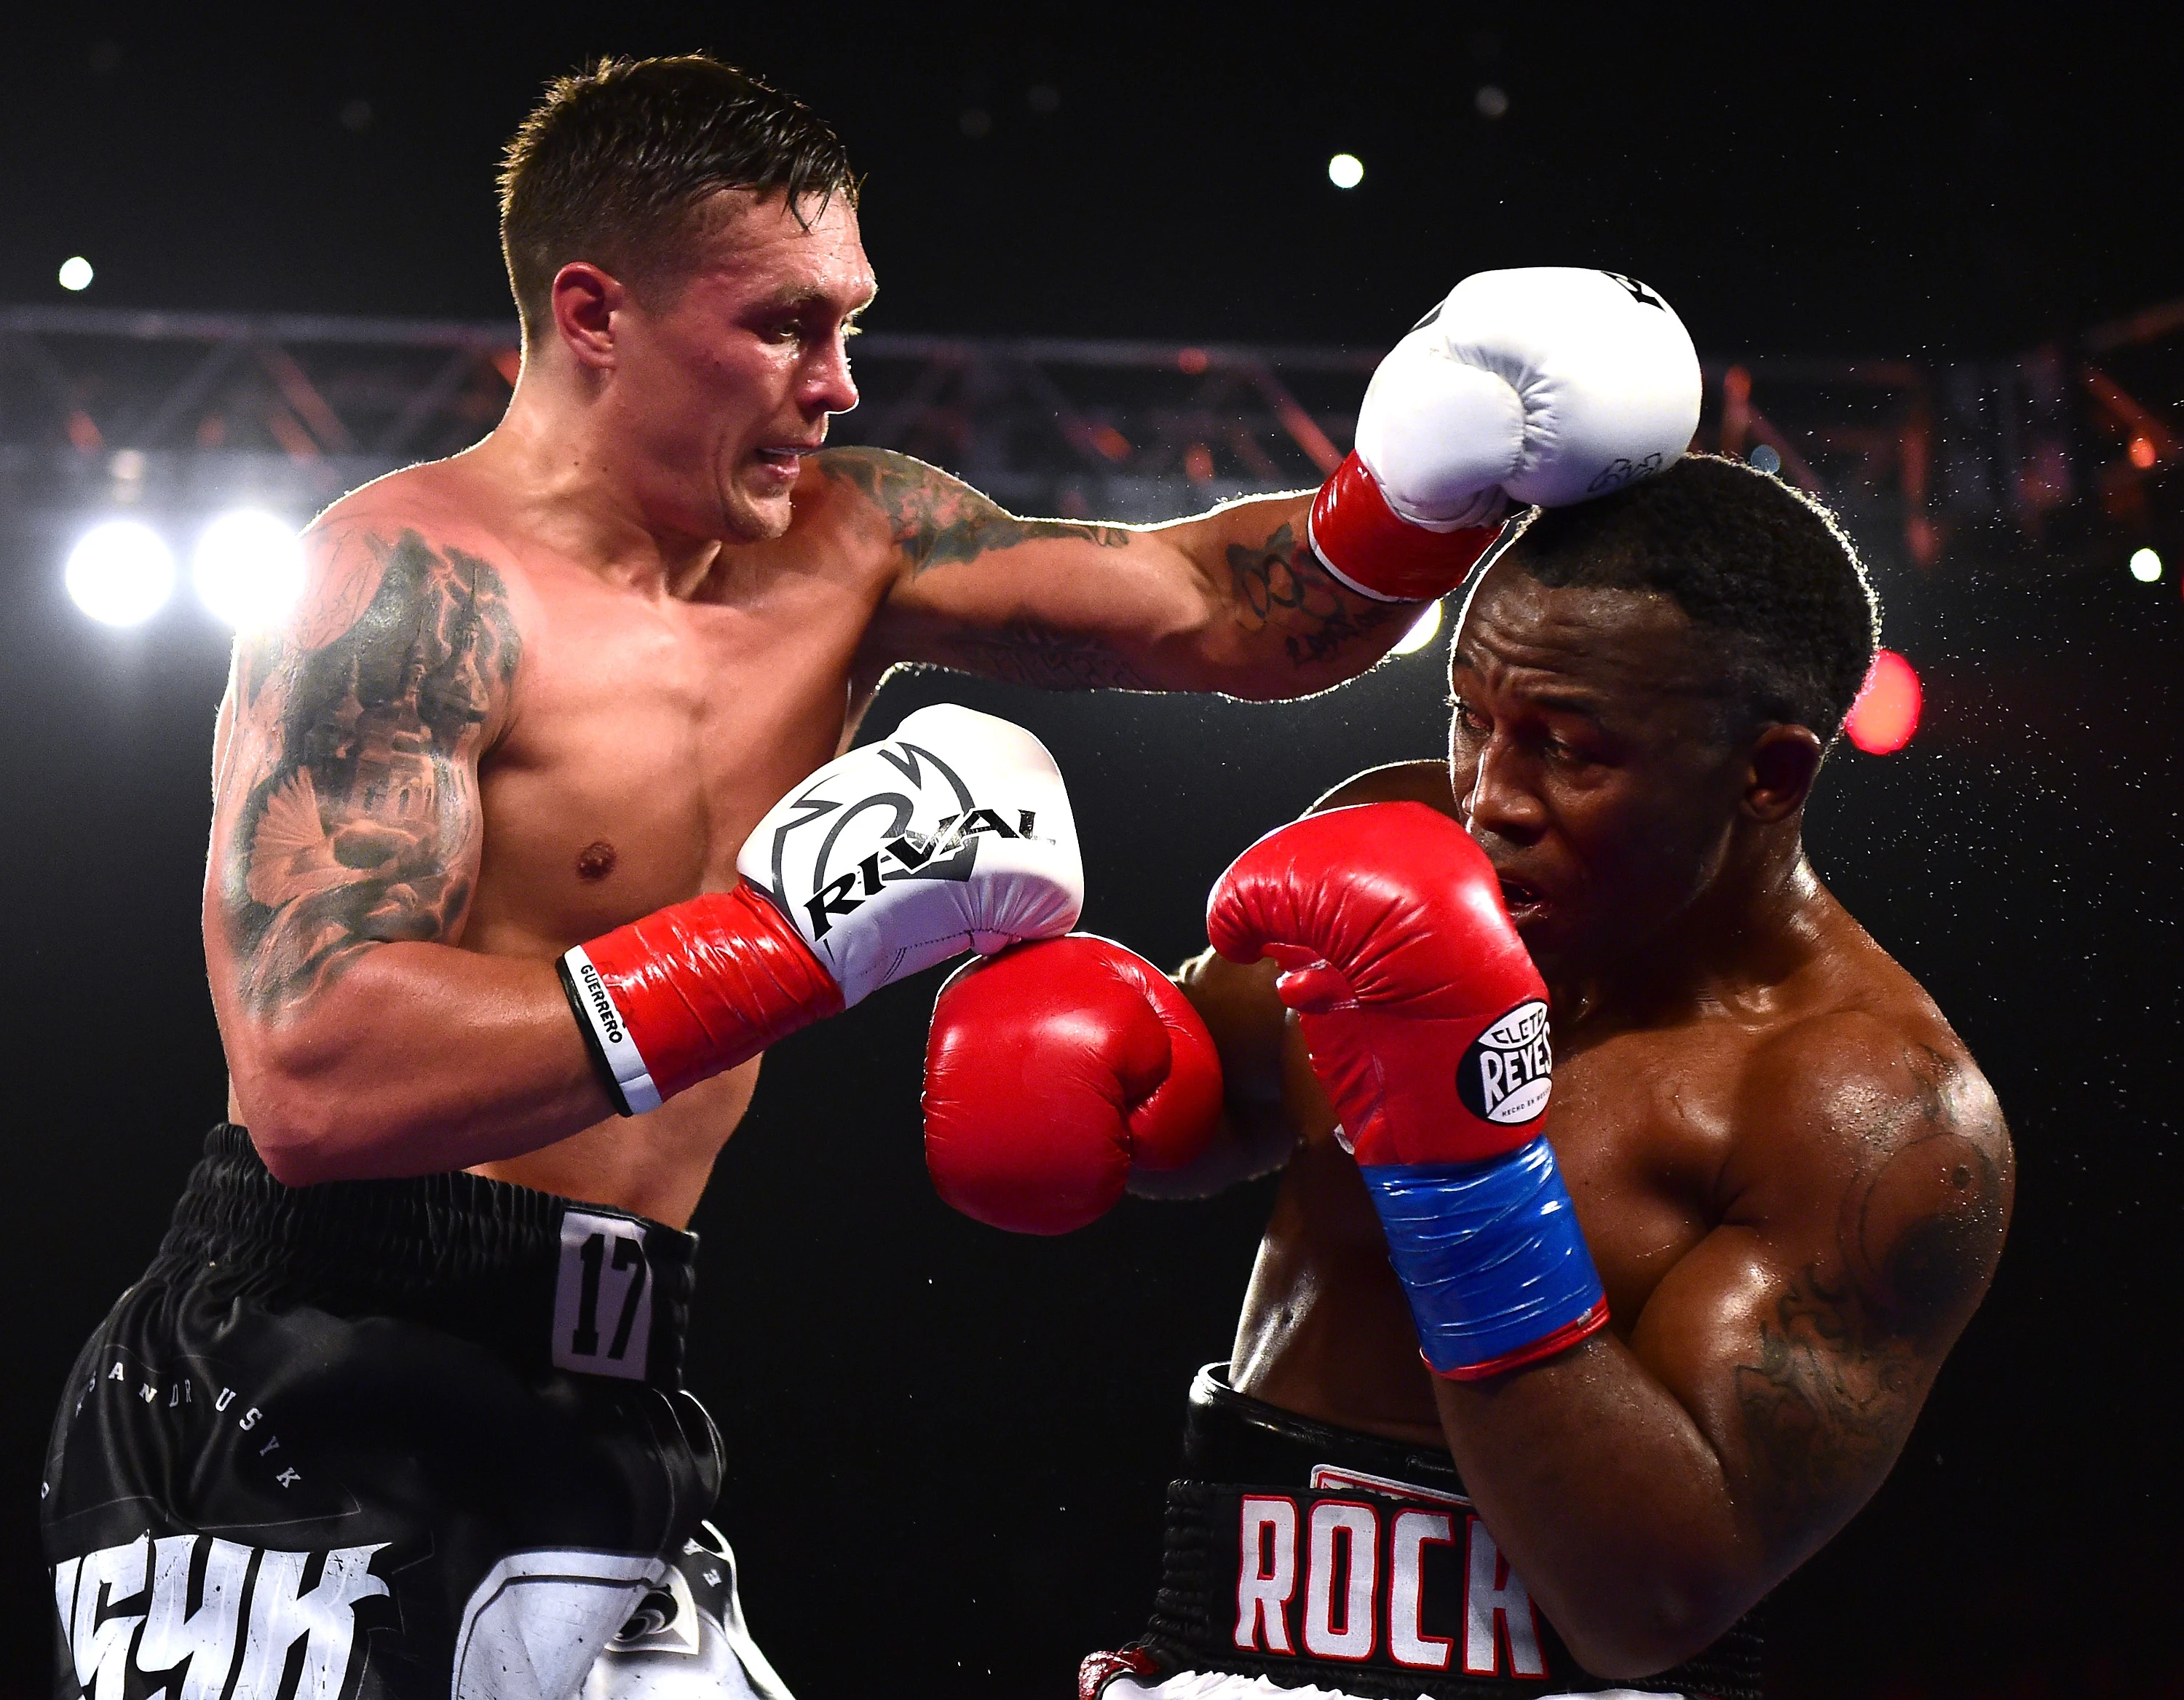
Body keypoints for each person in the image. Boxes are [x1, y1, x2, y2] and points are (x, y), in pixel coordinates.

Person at [40, 50, 1704, 1700]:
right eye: (784, 325)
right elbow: (312, 1076)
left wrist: (1423, 489)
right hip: (300, 1389)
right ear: (595, 312)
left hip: (607, 1381)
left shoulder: (855, 540)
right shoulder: (403, 587)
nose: (839, 382)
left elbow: (1220, 616)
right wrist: (783, 947)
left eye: (849, 319)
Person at [923, 455, 2013, 1700]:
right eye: (1471, 717)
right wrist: (1054, 1031)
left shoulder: (1873, 1113)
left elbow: (1649, 1599)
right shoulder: (1401, 840)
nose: (1491, 796)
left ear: (1767, 776)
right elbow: (1199, 1098)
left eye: (1566, 748)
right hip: (1224, 1650)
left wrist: (1460, 1161)